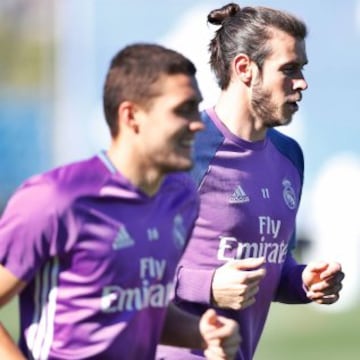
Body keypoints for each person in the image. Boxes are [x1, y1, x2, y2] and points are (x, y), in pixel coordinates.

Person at [0, 43, 241, 360]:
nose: (196, 124)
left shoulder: (181, 199)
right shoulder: (53, 199)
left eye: (196, 108)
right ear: (131, 116)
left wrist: (202, 332)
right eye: (182, 110)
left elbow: (140, 312)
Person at [156, 3, 345, 360]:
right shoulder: (183, 150)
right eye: (288, 69)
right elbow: (125, 269)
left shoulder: (290, 157)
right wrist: (208, 286)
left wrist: (303, 280)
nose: (302, 82)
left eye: (302, 69)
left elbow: (272, 266)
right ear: (245, 68)